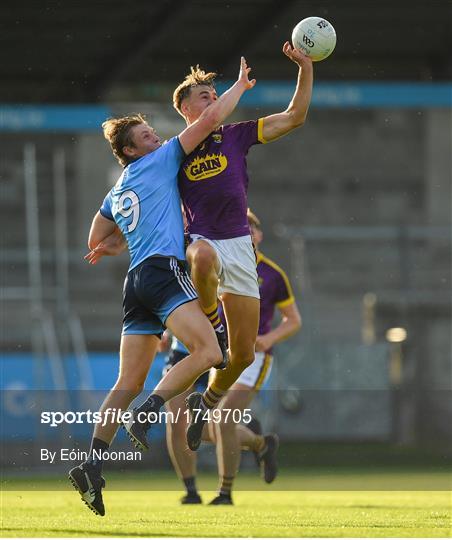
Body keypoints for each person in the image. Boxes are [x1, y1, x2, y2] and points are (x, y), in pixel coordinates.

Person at [68, 57, 256, 517]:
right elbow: (212, 118)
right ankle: (152, 408)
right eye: (147, 136)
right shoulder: (163, 158)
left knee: (125, 380)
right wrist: (240, 87)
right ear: (133, 151)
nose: (158, 137)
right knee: (212, 353)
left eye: (155, 134)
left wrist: (114, 245)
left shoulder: (118, 187)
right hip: (163, 273)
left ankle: (91, 463)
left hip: (136, 282)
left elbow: (96, 239)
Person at [172, 42, 313, 452]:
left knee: (244, 356)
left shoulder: (234, 136)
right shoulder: (175, 151)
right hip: (202, 241)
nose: (214, 101)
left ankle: (207, 404)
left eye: (215, 96)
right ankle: (213, 321)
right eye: (204, 96)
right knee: (200, 255)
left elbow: (295, 117)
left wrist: (305, 67)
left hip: (238, 249)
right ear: (184, 108)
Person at [162, 210, 302, 505]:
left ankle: (225, 493)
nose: (247, 231)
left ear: (259, 235)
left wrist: (269, 338)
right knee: (179, 420)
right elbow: (177, 297)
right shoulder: (204, 255)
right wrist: (164, 331)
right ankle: (195, 488)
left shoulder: (272, 274)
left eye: (252, 227)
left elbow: (294, 320)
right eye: (243, 226)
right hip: (194, 346)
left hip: (241, 354)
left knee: (222, 419)